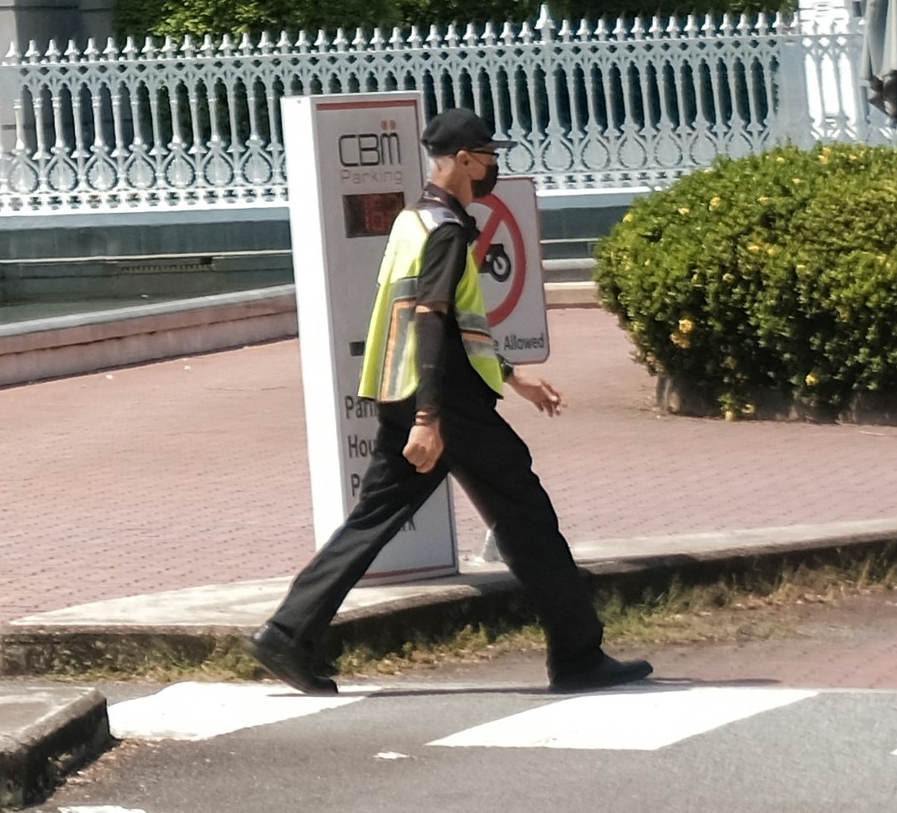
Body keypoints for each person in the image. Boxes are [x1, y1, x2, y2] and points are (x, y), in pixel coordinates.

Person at [255, 113, 645, 699]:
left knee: (373, 520)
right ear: (463, 158)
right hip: (444, 405)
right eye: (489, 155)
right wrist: (428, 420)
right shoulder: (446, 231)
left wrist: (511, 376)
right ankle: (578, 654)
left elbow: (449, 326)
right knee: (527, 515)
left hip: (406, 389)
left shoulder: (414, 220)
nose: (495, 166)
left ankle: (287, 633)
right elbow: (431, 321)